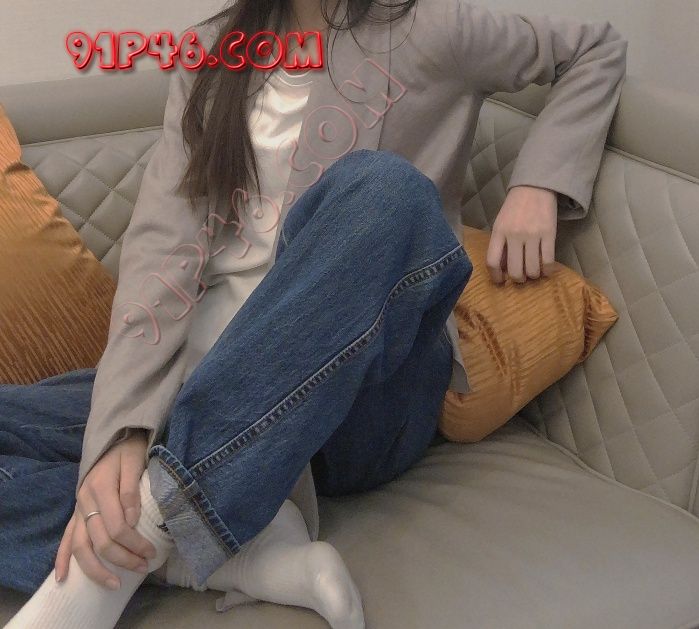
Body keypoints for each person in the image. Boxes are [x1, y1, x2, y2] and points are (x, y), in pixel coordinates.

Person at [1, 0, 627, 627]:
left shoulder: (431, 28)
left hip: (363, 399)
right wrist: (123, 433)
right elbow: (161, 251)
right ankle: (220, 554)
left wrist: (538, 184)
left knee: (387, 190)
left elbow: (593, 49)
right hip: (208, 378)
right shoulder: (210, 53)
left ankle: (140, 537)